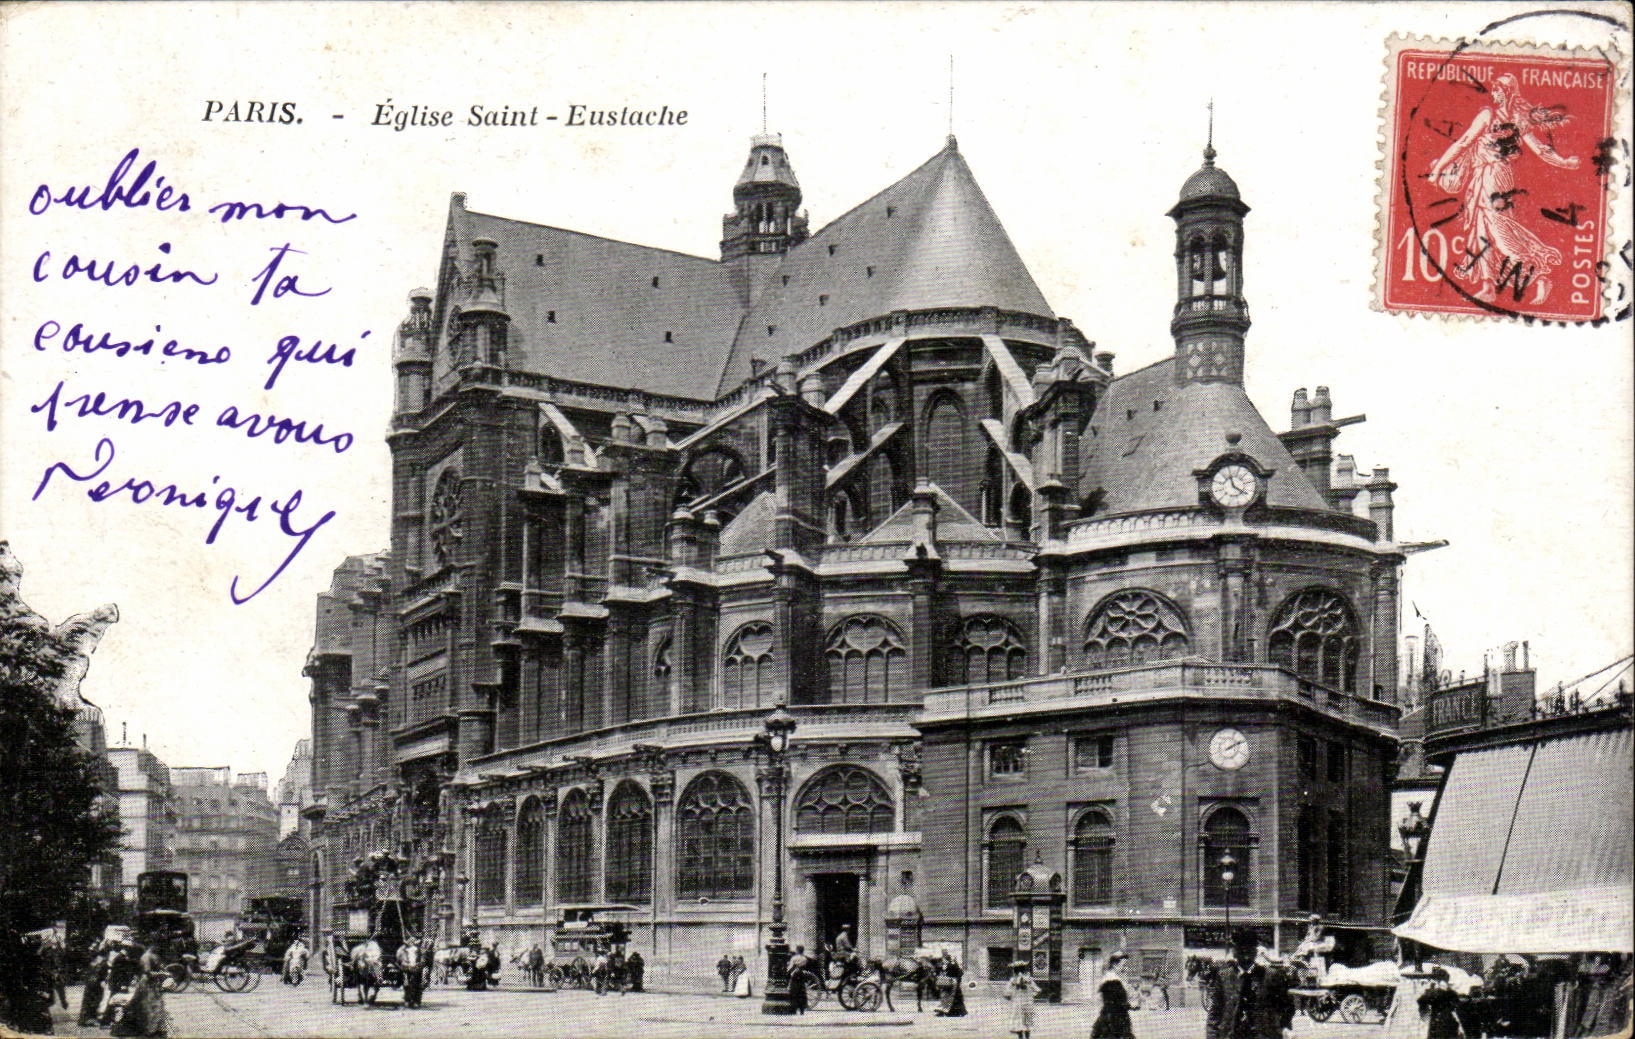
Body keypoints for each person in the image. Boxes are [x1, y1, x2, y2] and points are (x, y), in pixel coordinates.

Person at [1427, 71, 1582, 304]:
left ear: (1509, 93)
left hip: (1495, 178)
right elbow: (1464, 142)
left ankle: (1540, 277)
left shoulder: (1503, 118)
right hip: (1485, 177)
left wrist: (1564, 162)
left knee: (1500, 232)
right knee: (1481, 230)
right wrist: (1440, 167)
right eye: (1495, 89)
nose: (1495, 93)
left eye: (1500, 90)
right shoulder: (1495, 116)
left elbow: (1538, 148)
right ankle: (1488, 286)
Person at [1206, 929, 1293, 1039]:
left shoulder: (1271, 976)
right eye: (1241, 951)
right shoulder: (1224, 977)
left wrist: (1285, 1029)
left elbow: (1286, 1008)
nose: (1246, 956)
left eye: (1249, 951)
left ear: (1256, 952)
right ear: (1234, 952)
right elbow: (1214, 1014)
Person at [1092, 951, 1135, 1039]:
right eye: (1123, 966)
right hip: (1114, 1019)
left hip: (1113, 1016)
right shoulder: (1112, 980)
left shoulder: (1115, 978)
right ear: (1115, 965)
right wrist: (1130, 1006)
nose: (1125, 968)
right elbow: (1116, 1001)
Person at [1418, 967, 1463, 1039]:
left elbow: (1421, 1000)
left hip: (1438, 1022)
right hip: (1449, 1021)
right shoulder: (1452, 993)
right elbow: (1456, 1006)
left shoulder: (1435, 992)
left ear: (1437, 980)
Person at [1005, 960, 1040, 1039]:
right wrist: (1031, 996)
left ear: (1015, 970)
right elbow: (1037, 990)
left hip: (1018, 1004)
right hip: (1027, 1003)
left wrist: (1011, 995)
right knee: (1027, 1022)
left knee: (1019, 1021)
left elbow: (1007, 993)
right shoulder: (1028, 979)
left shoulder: (1013, 980)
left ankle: (1020, 1037)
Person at [934, 952, 966, 1017]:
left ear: (947, 960)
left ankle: (950, 1012)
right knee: (950, 998)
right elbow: (960, 973)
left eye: (944, 960)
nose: (943, 961)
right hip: (951, 984)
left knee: (949, 998)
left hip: (951, 983)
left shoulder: (952, 966)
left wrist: (954, 979)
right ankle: (953, 1012)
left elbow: (959, 973)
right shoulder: (949, 965)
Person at [786, 945, 811, 1014]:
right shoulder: (804, 959)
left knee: (793, 992)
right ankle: (802, 1009)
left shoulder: (794, 958)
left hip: (794, 975)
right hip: (801, 975)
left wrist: (787, 972)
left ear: (797, 950)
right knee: (801, 993)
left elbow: (790, 967)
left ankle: (793, 1009)